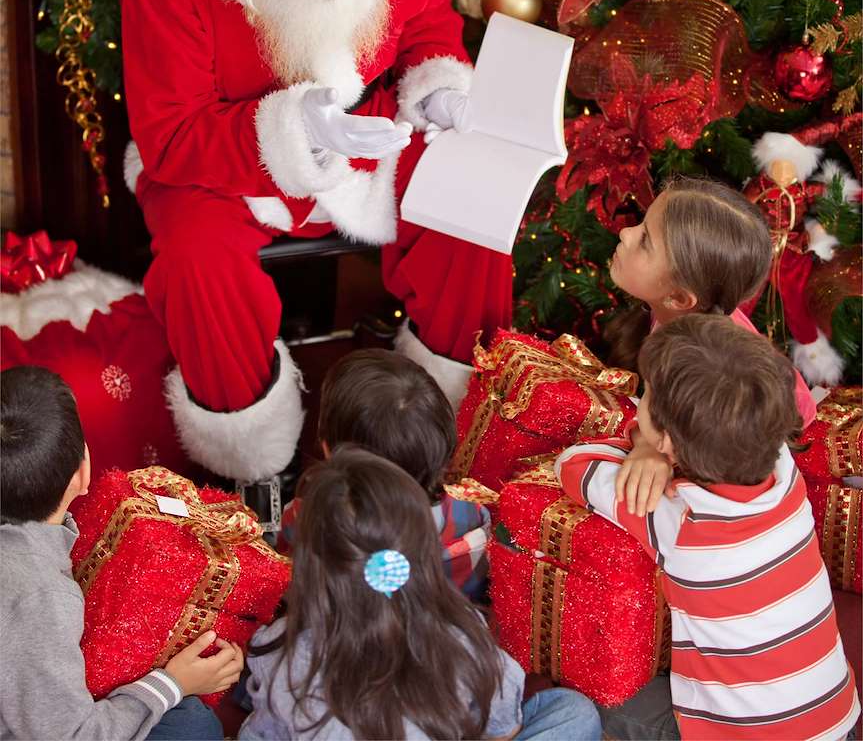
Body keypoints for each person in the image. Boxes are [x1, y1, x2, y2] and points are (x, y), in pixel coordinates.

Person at [121, 0, 513, 489]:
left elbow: (426, 24)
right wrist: (297, 131)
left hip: (372, 127)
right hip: (225, 155)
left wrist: (437, 86)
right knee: (195, 261)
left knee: (472, 205)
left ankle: (440, 427)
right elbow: (172, 135)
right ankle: (252, 465)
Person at [556, 315, 860, 741]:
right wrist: (658, 441)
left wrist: (644, 448)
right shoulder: (783, 468)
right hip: (836, 722)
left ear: (667, 438)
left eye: (644, 396)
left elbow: (573, 464)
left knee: (592, 690)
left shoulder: (680, 522)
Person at [240, 445, 601, 740]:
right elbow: (503, 727)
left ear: (309, 565)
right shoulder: (462, 632)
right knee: (572, 712)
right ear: (422, 551)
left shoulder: (277, 649)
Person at [0, 365, 244, 741]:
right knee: (192, 724)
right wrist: (174, 682)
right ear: (83, 473)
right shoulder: (41, 597)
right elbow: (72, 735)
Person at [603, 175, 816, 518]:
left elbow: (731, 442)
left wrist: (651, 448)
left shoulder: (702, 364)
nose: (626, 233)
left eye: (645, 241)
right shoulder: (677, 319)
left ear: (678, 297)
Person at [280, 349, 491, 600]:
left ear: (327, 447)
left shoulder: (306, 521)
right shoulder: (472, 516)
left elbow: (288, 589)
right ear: (444, 441)